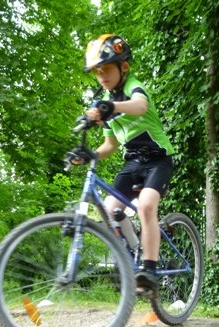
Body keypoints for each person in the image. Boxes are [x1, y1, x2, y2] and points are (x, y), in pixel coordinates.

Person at [82, 34, 176, 296]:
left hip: (158, 159)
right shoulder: (104, 102)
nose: (101, 75)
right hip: (132, 162)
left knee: (146, 205)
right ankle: (136, 247)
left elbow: (139, 106)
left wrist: (110, 106)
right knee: (108, 211)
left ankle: (149, 269)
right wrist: (90, 155)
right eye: (97, 72)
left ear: (123, 67)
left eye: (106, 68)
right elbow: (110, 145)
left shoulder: (133, 86)